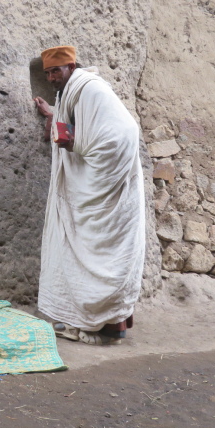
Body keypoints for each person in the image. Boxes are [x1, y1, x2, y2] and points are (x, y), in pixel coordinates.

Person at [34, 45, 145, 345]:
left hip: (107, 177)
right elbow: (77, 122)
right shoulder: (71, 94)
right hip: (100, 172)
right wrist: (53, 114)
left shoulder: (90, 89)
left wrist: (77, 145)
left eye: (56, 70)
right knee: (92, 242)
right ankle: (105, 324)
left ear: (71, 66)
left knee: (101, 242)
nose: (52, 77)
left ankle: (103, 324)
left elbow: (120, 133)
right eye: (47, 73)